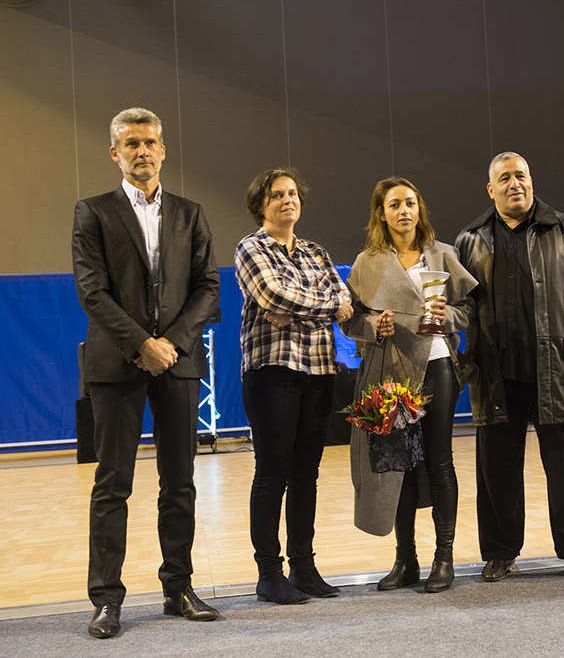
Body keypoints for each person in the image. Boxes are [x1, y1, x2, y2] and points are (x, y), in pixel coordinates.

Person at [72, 107, 221, 639]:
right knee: (113, 485)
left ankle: (178, 587)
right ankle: (107, 599)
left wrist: (171, 345)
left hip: (177, 366)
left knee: (179, 483)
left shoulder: (190, 213)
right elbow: (92, 291)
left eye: (150, 142)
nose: (142, 151)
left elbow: (208, 287)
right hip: (117, 365)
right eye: (131, 143)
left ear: (163, 149)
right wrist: (142, 345)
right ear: (115, 152)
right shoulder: (92, 212)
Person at [455, 152, 564, 582]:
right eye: (503, 178)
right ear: (491, 190)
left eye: (520, 176)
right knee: (496, 474)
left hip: (558, 371)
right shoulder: (470, 239)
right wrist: (463, 365)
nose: (514, 184)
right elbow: (455, 311)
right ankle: (501, 551)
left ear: (531, 180)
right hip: (495, 376)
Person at [341, 176, 477, 593]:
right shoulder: (368, 262)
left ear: (420, 210)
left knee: (438, 460)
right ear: (381, 213)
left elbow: (469, 308)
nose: (404, 211)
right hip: (389, 372)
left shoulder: (444, 255)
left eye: (411, 203)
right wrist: (373, 325)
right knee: (397, 464)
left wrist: (447, 315)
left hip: (436, 365)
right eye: (395, 204)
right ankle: (406, 560)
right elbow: (349, 320)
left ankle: (445, 557)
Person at [235, 167, 353, 605]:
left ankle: (304, 567)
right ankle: (269, 573)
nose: (287, 200)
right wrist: (321, 306)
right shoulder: (251, 247)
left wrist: (305, 307)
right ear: (261, 205)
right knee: (272, 473)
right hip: (272, 374)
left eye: (292, 194)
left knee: (307, 475)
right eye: (277, 195)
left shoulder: (316, 252)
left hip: (319, 374)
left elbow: (345, 302)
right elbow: (274, 297)